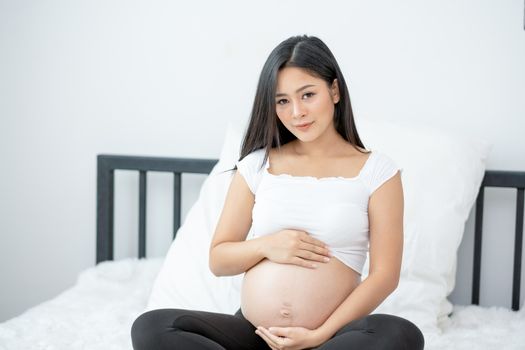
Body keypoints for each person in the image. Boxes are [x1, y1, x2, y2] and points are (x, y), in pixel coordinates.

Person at [131, 34, 425, 350]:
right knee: (153, 326)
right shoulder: (257, 165)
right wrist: (269, 246)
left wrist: (319, 334)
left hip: (330, 340)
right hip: (254, 336)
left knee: (400, 335)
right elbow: (219, 259)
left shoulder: (378, 171)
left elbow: (384, 276)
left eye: (308, 94)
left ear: (335, 90)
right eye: (282, 100)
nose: (296, 112)